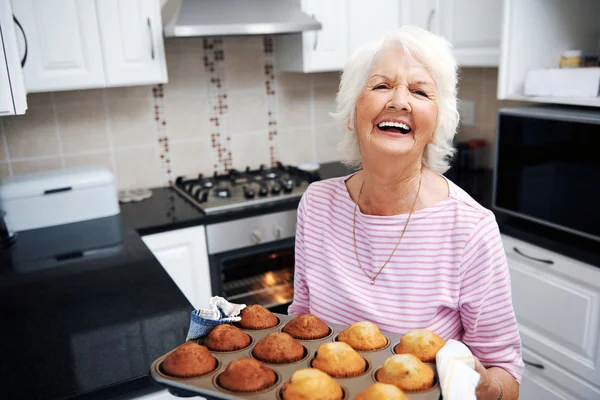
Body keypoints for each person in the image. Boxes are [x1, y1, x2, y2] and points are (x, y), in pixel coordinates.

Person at [288, 26, 522, 400]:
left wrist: (483, 386)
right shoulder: (317, 205)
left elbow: (505, 375)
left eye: (420, 91)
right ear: (353, 112)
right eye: (381, 86)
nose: (399, 101)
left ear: (436, 123)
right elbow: (300, 324)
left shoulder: (470, 228)